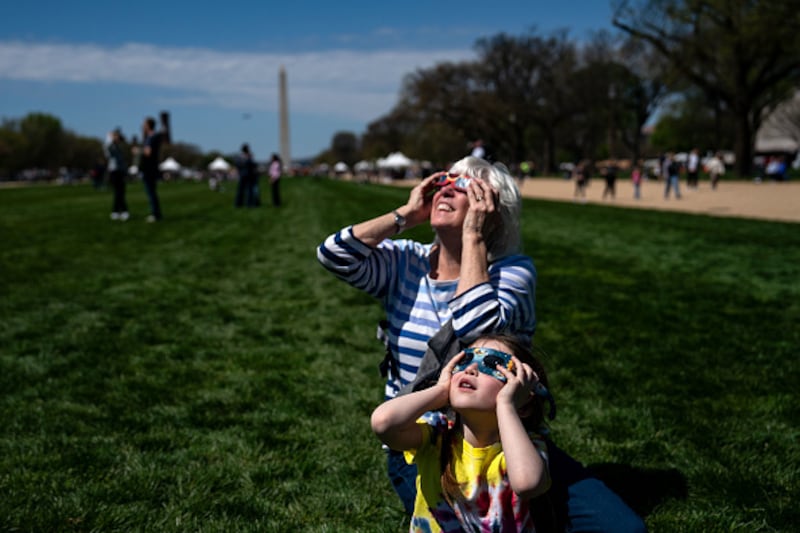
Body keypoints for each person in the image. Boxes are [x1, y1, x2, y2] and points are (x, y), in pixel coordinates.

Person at [317, 155, 646, 532]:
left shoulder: (514, 272)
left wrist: (473, 237)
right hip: (426, 438)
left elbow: (478, 330)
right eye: (443, 182)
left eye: (464, 187)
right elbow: (333, 254)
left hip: (504, 435)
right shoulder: (405, 262)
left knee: (621, 527)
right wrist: (406, 214)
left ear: (491, 211)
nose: (446, 191)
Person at [371, 334, 552, 532]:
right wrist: (441, 391)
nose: (471, 369)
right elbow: (383, 423)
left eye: (493, 364)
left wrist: (506, 405)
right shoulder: (436, 436)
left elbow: (528, 483)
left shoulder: (525, 448)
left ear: (524, 400)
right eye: (465, 359)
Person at [139, 115, 169, 222]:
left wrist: (138, 151)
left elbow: (148, 152)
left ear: (148, 125)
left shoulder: (151, 137)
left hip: (149, 168)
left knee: (151, 192)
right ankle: (156, 213)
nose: (142, 126)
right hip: (152, 167)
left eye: (144, 124)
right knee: (152, 191)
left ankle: (155, 214)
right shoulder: (153, 137)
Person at [104, 128, 129, 221]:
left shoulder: (118, 146)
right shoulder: (110, 146)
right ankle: (120, 211)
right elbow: (108, 146)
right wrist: (110, 137)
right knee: (118, 192)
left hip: (120, 171)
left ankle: (117, 211)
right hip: (114, 171)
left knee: (120, 192)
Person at [234, 143, 259, 208]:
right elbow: (238, 165)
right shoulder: (241, 157)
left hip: (248, 175)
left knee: (248, 191)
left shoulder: (248, 156)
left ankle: (248, 204)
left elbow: (253, 165)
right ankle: (239, 203)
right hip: (244, 175)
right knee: (242, 190)